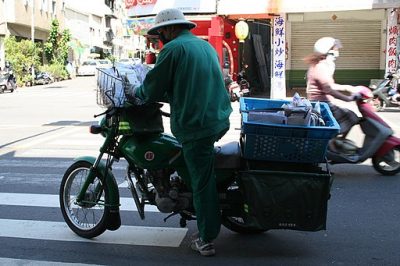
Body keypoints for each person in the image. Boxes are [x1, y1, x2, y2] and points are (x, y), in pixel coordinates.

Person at [132, 8, 233, 256]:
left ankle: (206, 238)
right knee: (193, 169)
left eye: (159, 34)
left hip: (198, 125)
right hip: (216, 117)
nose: (159, 39)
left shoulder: (173, 49)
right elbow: (188, 83)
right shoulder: (204, 46)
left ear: (167, 29)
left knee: (201, 180)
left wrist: (136, 93)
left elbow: (152, 88)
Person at [305, 37, 359, 136]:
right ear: (327, 51)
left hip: (322, 103)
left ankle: (336, 142)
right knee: (352, 117)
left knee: (349, 116)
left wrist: (348, 87)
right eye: (335, 50)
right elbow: (329, 90)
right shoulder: (320, 67)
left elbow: (330, 86)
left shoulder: (321, 65)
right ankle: (335, 143)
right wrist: (348, 98)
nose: (337, 53)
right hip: (322, 105)